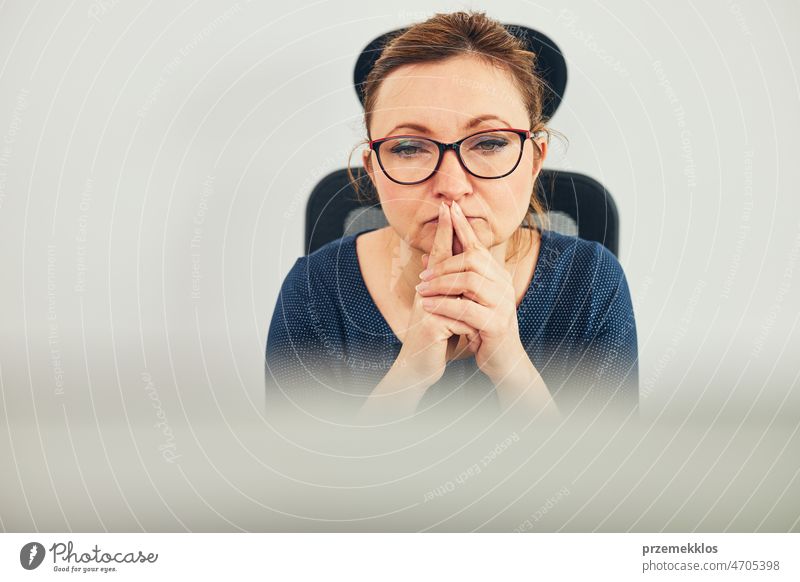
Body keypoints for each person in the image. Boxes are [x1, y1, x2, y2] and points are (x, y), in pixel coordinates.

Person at [266, 11, 639, 423]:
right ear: (373, 169)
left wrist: (509, 362)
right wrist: (409, 373)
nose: (452, 183)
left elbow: (603, 481)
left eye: (491, 142)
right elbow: (302, 480)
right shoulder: (315, 288)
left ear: (534, 159)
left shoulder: (590, 280)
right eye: (409, 147)